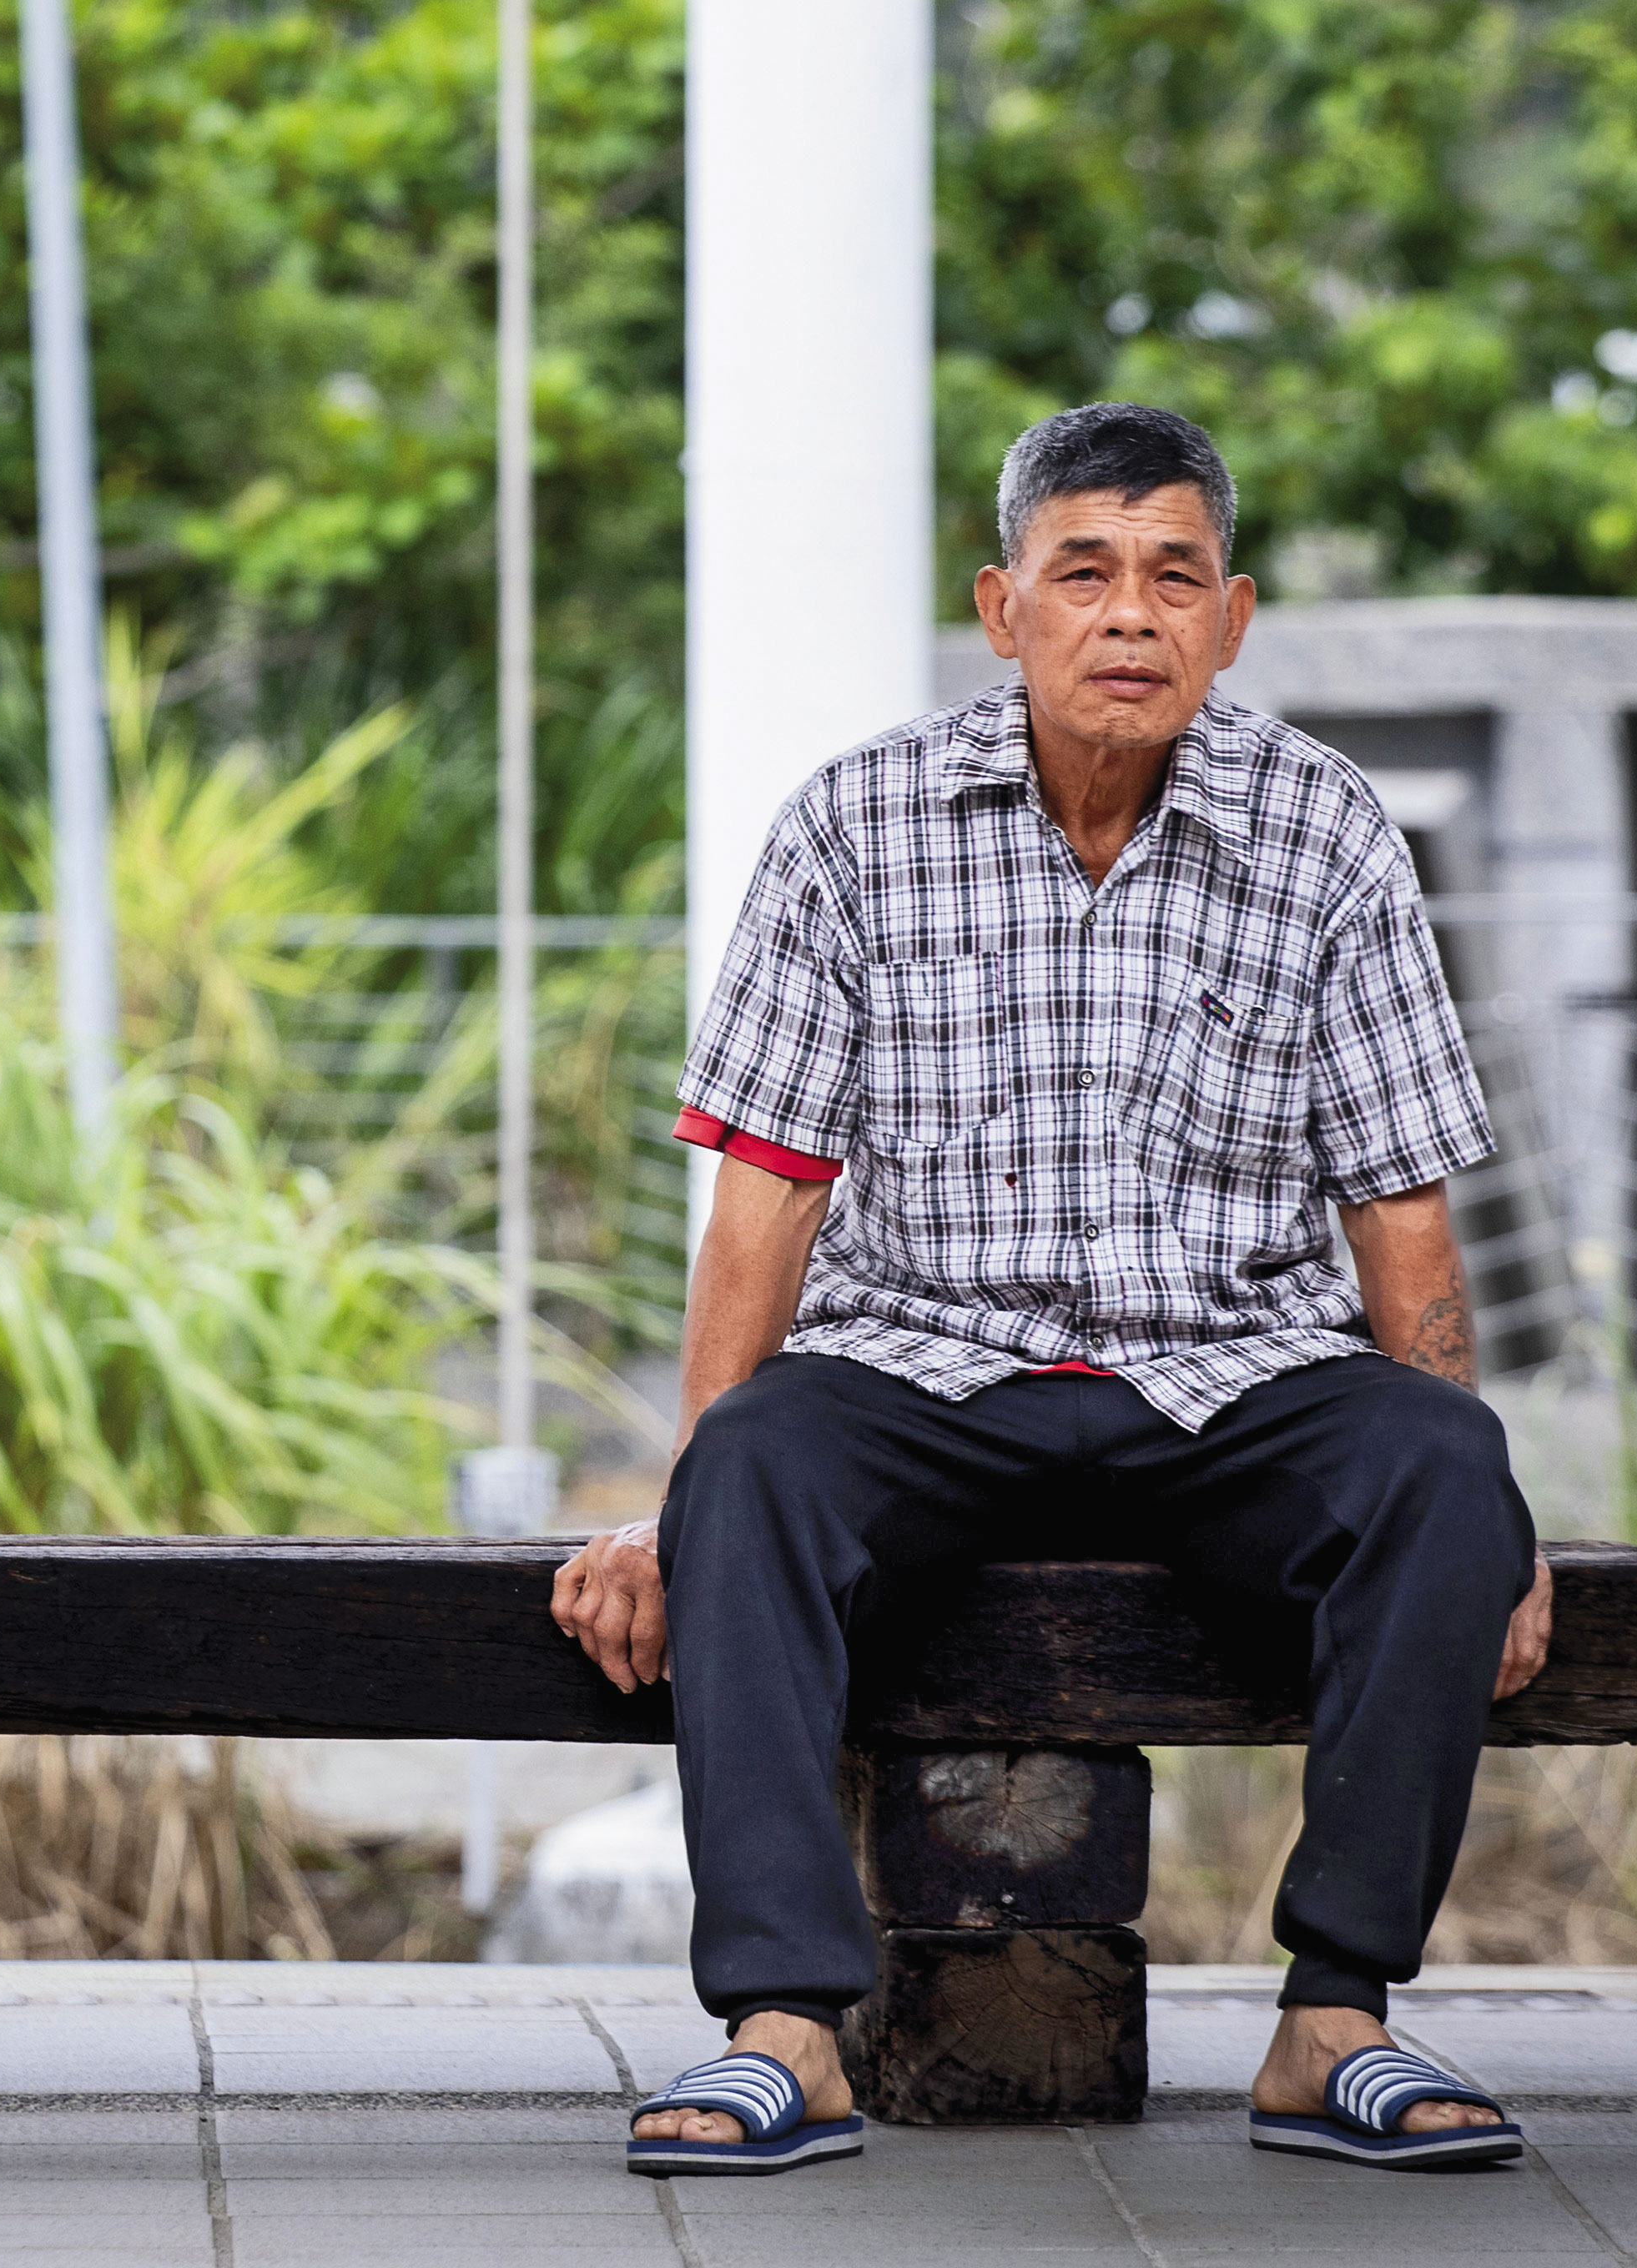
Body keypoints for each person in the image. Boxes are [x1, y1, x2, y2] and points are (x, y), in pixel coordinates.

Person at [560, 401, 1554, 2180]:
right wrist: (684, 1506)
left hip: (1230, 1377)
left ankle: (1334, 2020)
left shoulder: (1325, 830)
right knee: (755, 1462)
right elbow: (767, 1195)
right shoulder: (858, 822)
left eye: (1175, 577)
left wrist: (1488, 1525)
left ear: (1231, 620)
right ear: (1002, 606)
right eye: (1083, 573)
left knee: (1442, 1465)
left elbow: (1398, 1205)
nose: (1130, 616)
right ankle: (786, 2027)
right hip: (925, 1367)